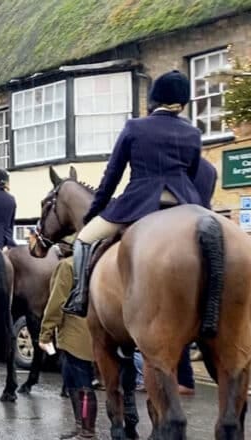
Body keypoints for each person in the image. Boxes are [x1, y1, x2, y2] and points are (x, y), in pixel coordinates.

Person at [64, 70, 203, 316]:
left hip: (140, 202)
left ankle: (80, 296)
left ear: (154, 99)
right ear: (182, 103)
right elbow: (193, 173)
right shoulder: (193, 132)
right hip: (185, 202)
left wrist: (94, 211)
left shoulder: (135, 127)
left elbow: (112, 175)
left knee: (84, 239)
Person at [37, 238, 97, 440]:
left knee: (80, 385)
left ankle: (87, 432)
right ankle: (81, 426)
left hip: (74, 334)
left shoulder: (66, 265)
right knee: (78, 383)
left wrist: (45, 332)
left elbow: (57, 303)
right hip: (92, 332)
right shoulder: (93, 263)